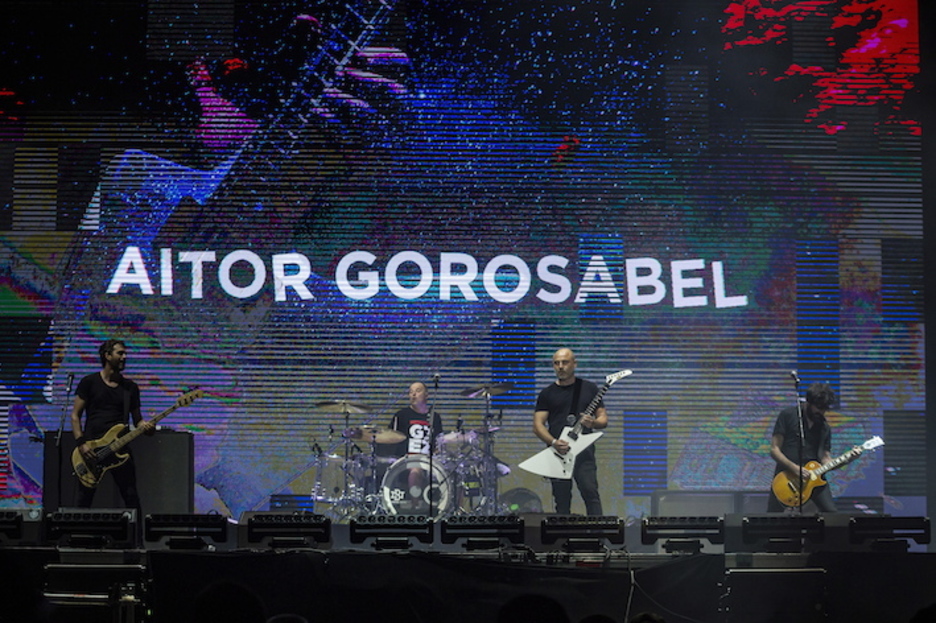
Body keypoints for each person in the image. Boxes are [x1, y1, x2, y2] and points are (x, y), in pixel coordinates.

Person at [70, 339, 154, 512]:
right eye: (120, 353)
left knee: (131, 497)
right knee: (83, 501)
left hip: (120, 447)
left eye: (125, 353)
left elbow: (137, 419)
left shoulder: (130, 388)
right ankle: (76, 537)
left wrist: (146, 427)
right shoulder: (89, 382)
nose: (125, 357)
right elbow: (75, 415)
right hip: (92, 449)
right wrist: (81, 444)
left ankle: (136, 538)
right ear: (107, 355)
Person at [533, 348, 607, 516]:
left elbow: (603, 419)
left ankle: (599, 537)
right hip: (558, 453)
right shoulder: (547, 394)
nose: (560, 367)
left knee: (591, 494)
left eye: (565, 362)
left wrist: (593, 422)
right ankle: (562, 540)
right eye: (556, 363)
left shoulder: (588, 388)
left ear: (574, 364)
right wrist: (553, 442)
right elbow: (538, 425)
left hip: (584, 453)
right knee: (562, 501)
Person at [767, 381, 851, 513]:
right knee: (773, 517)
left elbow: (825, 459)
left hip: (815, 478)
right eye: (818, 407)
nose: (821, 412)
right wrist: (794, 468)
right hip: (787, 477)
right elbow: (774, 449)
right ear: (809, 402)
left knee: (832, 514)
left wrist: (847, 459)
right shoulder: (788, 415)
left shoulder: (824, 427)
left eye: (824, 408)